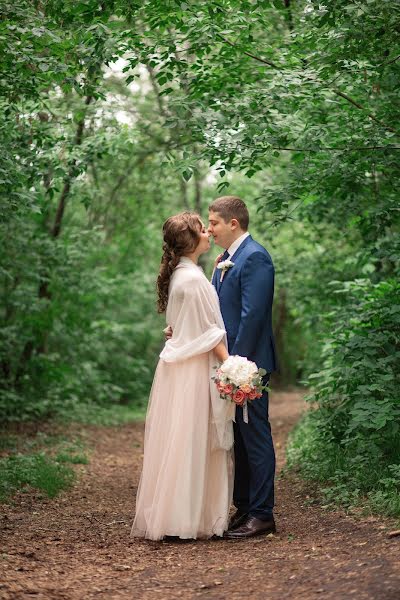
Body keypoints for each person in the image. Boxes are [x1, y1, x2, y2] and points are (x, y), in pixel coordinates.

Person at [131, 212, 235, 541]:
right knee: (192, 441)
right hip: (192, 370)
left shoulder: (183, 274)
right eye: (202, 230)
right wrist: (233, 367)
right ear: (190, 241)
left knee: (180, 441)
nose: (208, 233)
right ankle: (186, 519)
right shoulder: (192, 279)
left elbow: (184, 325)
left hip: (179, 368)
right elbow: (209, 333)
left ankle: (177, 515)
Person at [208, 196, 278, 539]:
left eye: (214, 223)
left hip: (248, 366)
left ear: (233, 223)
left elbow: (253, 316)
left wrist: (236, 366)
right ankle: (246, 507)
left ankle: (263, 514)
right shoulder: (224, 260)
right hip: (230, 365)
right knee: (238, 439)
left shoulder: (255, 257)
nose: (209, 230)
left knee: (256, 438)